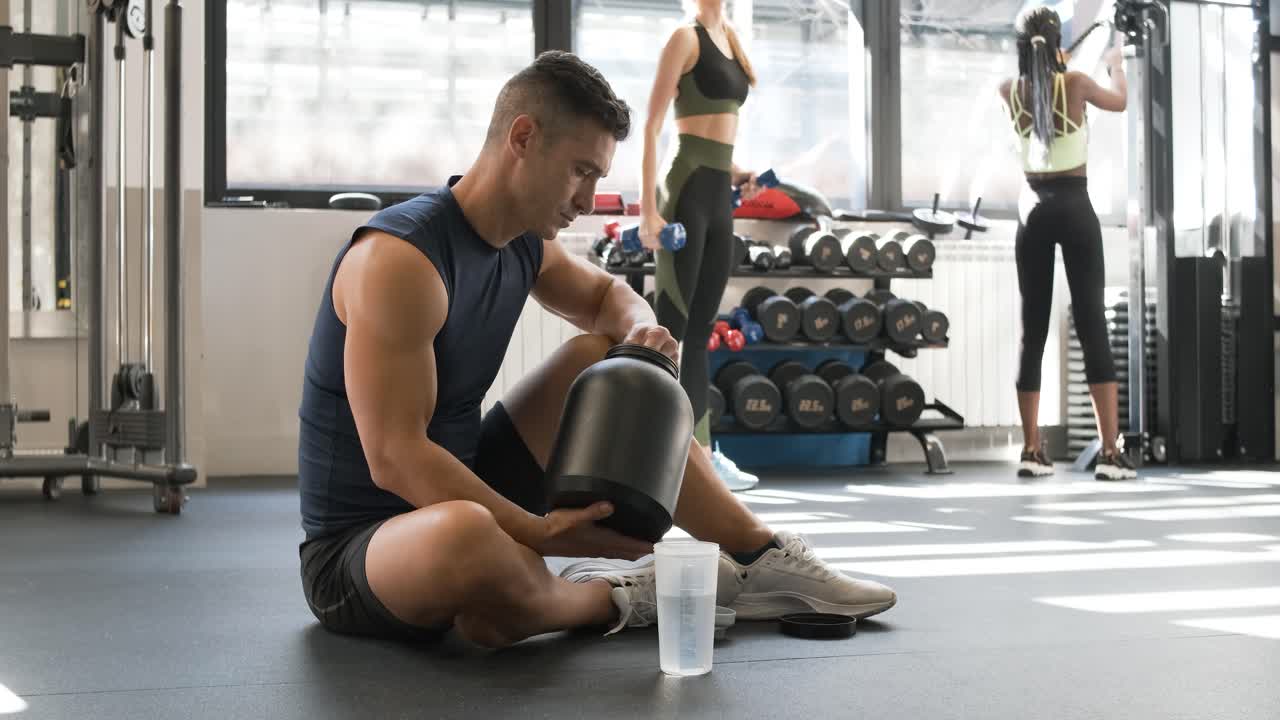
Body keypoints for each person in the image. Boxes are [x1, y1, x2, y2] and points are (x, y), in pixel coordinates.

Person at [296, 51, 896, 649]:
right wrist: (539, 532)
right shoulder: (400, 260)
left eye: (598, 179)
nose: (587, 201)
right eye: (581, 171)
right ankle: (605, 596)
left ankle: (756, 554)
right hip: (360, 550)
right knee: (467, 535)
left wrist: (643, 334)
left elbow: (608, 296)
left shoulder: (520, 241)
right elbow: (396, 457)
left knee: (603, 357)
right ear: (523, 138)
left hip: (468, 481)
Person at [999, 6, 1136, 481]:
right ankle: (1111, 455)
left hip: (1031, 209)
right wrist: (1117, 66)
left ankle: (1032, 451)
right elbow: (1119, 102)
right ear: (1057, 43)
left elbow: (1036, 100)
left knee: (1031, 328)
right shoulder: (1075, 83)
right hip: (1075, 208)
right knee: (1091, 323)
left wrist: (1049, 62)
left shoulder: (1009, 91)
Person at [639, 0, 762, 491]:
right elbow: (652, 127)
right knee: (673, 325)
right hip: (685, 187)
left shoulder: (731, 39)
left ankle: (701, 455)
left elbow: (716, 134)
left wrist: (737, 173)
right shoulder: (683, 38)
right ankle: (665, 459)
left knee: (703, 329)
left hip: (718, 189)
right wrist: (647, 210)